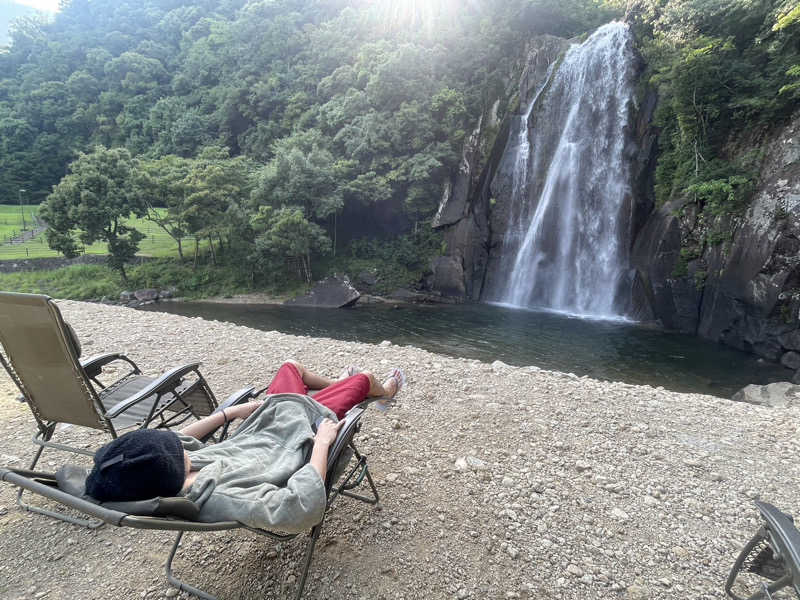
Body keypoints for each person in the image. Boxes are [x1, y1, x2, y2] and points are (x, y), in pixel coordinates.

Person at [85, 361, 405, 533]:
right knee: (364, 379)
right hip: (303, 426)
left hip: (273, 415)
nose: (181, 446)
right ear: (168, 471)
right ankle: (382, 392)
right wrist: (321, 443)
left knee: (290, 367)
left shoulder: (169, 473)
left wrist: (230, 412)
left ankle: (339, 385)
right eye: (175, 451)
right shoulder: (220, 495)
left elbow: (179, 439)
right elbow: (301, 506)